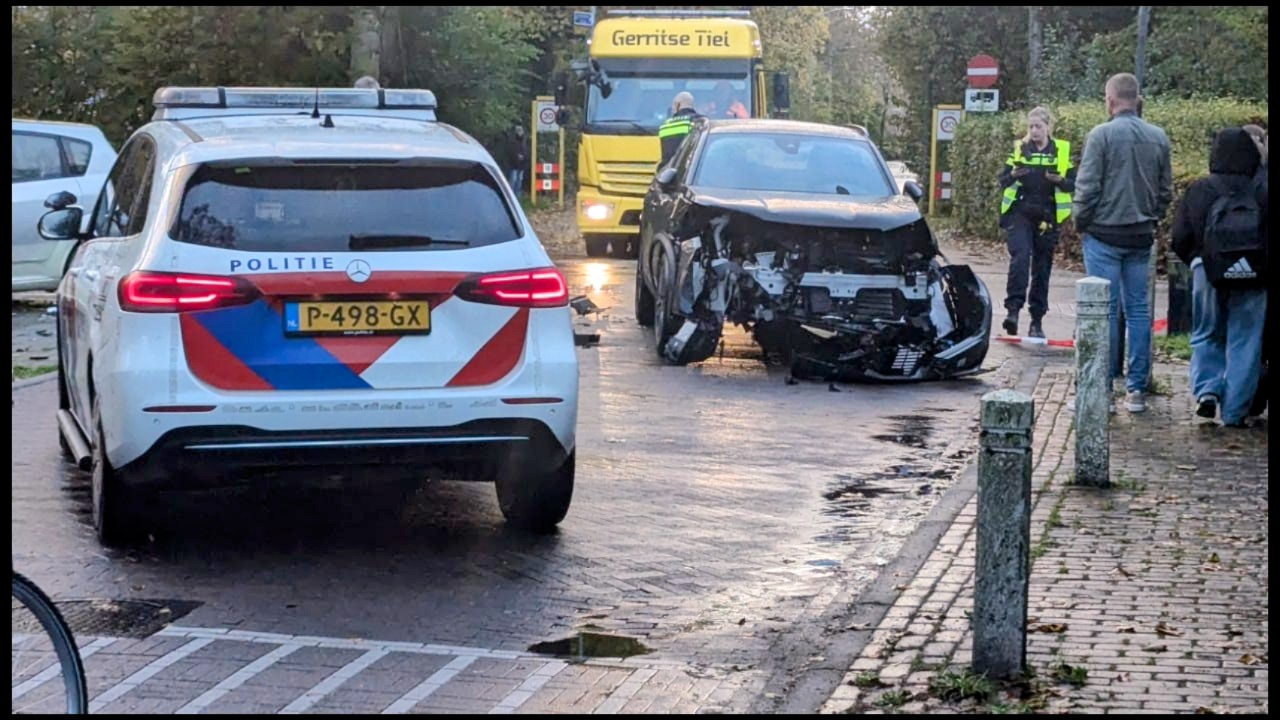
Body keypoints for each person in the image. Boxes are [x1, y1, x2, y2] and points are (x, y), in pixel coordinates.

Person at [1072, 73, 1173, 414]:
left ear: (1111, 100)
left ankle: (1104, 389)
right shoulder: (1158, 137)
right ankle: (1137, 391)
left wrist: (1080, 222)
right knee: (1139, 311)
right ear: (1136, 98)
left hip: (1104, 234)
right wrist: (1152, 217)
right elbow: (1165, 192)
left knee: (1105, 311)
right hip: (1141, 235)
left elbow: (1087, 187)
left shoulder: (1101, 136)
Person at [1170, 128, 1267, 427]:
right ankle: (1236, 411)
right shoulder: (1262, 191)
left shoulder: (1200, 190)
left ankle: (1207, 391)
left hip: (1207, 272)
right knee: (1246, 340)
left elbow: (1179, 238)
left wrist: (1198, 261)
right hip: (1255, 276)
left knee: (1206, 333)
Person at [997, 106, 1077, 339]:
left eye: (1038, 126)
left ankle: (1036, 320)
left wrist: (1059, 180)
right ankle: (1013, 312)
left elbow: (1073, 183)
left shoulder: (1061, 150)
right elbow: (1002, 180)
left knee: (1042, 268)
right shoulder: (1019, 149)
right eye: (1031, 127)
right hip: (1020, 212)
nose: (1034, 131)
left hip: (1048, 214)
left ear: (1049, 127)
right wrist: (1013, 175)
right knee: (1020, 258)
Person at [658, 92, 700, 168]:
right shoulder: (699, 122)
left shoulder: (665, 125)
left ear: (678, 105)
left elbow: (666, 155)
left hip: (669, 172)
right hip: (690, 170)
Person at [504, 125, 528, 195]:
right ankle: (510, 195)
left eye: (521, 130)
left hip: (522, 165)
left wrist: (523, 157)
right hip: (513, 164)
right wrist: (517, 156)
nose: (520, 132)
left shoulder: (524, 141)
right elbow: (510, 151)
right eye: (518, 130)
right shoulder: (512, 140)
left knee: (519, 181)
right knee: (513, 180)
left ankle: (517, 197)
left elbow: (525, 151)